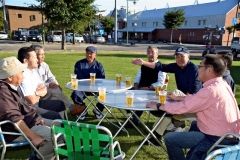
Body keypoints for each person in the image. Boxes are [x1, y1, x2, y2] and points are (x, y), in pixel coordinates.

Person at [146, 54, 240, 160]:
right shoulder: (221, 84)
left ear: (209, 70)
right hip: (228, 134)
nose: (197, 68)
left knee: (170, 139)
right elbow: (198, 99)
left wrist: (159, 105)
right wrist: (181, 98)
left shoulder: (211, 90)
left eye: (200, 66)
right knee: (194, 124)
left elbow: (183, 108)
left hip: (216, 137)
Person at [132, 46, 202, 133]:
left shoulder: (193, 69)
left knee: (169, 105)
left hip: (195, 104)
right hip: (183, 99)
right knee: (167, 108)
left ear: (188, 57)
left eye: (182, 56)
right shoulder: (177, 66)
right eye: (177, 56)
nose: (179, 59)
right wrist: (143, 62)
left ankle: (170, 126)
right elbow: (161, 67)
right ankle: (159, 133)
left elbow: (193, 94)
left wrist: (176, 98)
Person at [0, 56, 55, 159]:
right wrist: (33, 136)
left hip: (31, 122)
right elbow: (15, 118)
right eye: (20, 72)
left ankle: (43, 155)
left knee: (62, 125)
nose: (23, 76)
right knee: (59, 136)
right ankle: (37, 158)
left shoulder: (8, 88)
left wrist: (38, 119)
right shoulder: (3, 92)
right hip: (19, 130)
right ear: (10, 77)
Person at [17, 47, 65, 119]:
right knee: (56, 116)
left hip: (38, 102)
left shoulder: (32, 71)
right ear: (25, 61)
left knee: (60, 104)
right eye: (35, 57)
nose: (37, 60)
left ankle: (65, 124)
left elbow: (42, 87)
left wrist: (46, 87)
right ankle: (56, 126)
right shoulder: (23, 76)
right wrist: (38, 93)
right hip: (29, 109)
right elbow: (32, 101)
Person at [30, 44, 74, 114]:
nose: (43, 56)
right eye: (41, 55)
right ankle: (72, 108)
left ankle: (59, 114)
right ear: (34, 56)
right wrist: (49, 85)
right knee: (55, 91)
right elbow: (36, 85)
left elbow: (51, 77)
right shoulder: (30, 68)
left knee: (57, 90)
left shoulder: (44, 65)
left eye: (44, 54)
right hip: (36, 93)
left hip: (46, 89)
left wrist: (55, 83)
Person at [131, 46, 167, 125]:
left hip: (152, 92)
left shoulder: (161, 67)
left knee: (140, 97)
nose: (150, 54)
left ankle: (134, 118)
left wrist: (147, 88)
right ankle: (131, 115)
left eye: (152, 52)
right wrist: (136, 86)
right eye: (148, 52)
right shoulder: (143, 65)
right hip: (140, 89)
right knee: (126, 94)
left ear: (157, 54)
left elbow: (161, 83)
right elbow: (138, 77)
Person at [71, 46, 105, 119]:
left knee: (104, 93)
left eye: (91, 53)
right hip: (82, 88)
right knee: (75, 93)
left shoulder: (99, 65)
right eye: (87, 53)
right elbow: (78, 77)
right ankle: (83, 110)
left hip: (95, 88)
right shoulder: (79, 64)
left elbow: (102, 79)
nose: (89, 55)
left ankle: (98, 110)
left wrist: (95, 85)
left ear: (95, 54)